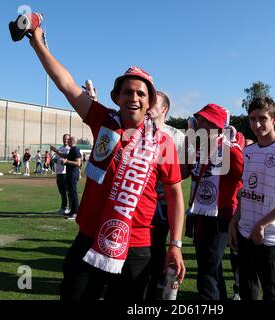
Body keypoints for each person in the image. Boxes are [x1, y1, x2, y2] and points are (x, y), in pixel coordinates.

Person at [28, 26, 185, 300]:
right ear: (117, 97)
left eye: (140, 93)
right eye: (127, 92)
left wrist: (176, 244)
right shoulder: (103, 121)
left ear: (149, 103)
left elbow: (175, 194)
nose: (133, 98)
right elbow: (65, 84)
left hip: (137, 247)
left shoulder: (164, 143)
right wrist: (38, 44)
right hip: (90, 237)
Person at [228, 97, 275, 300]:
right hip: (244, 231)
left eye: (262, 118)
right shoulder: (247, 151)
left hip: (267, 237)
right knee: (247, 288)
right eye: (252, 119)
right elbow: (245, 193)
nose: (256, 125)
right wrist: (234, 222)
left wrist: (261, 225)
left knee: (271, 292)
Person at [182, 103, 243, 300]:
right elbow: (184, 173)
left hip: (221, 216)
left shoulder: (230, 150)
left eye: (204, 120)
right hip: (201, 214)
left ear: (216, 126)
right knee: (211, 268)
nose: (198, 123)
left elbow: (247, 179)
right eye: (199, 119)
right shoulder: (200, 148)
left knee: (207, 272)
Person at [145, 91, 186, 300]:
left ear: (164, 109)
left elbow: (186, 168)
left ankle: (158, 281)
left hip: (162, 201)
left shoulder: (177, 137)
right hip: (140, 200)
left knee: (158, 244)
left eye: (154, 103)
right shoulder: (137, 130)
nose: (148, 106)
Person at [56, 136, 82, 220]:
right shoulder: (72, 149)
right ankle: (72, 212)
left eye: (69, 140)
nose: (67, 141)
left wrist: (67, 161)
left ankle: (76, 213)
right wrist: (56, 151)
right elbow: (65, 155)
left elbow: (78, 163)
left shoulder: (76, 149)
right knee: (70, 193)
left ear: (72, 141)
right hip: (70, 174)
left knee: (73, 194)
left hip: (73, 174)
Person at [51, 134, 71, 215]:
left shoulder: (70, 149)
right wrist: (53, 160)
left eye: (67, 139)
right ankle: (63, 207)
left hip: (66, 173)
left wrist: (56, 151)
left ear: (69, 140)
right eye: (64, 139)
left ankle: (70, 208)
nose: (65, 140)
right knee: (62, 192)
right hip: (59, 173)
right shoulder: (60, 148)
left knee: (68, 191)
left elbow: (66, 158)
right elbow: (56, 159)